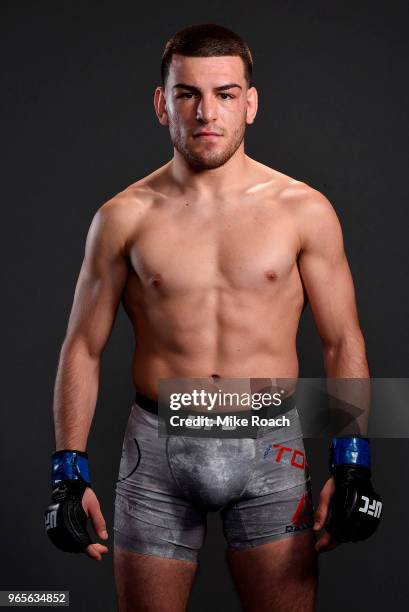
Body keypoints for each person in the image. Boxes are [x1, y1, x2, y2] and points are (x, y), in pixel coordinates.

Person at [44, 23, 382, 612]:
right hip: (157, 448)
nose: (207, 113)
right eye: (187, 94)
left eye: (225, 94)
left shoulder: (304, 210)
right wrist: (67, 471)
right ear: (161, 103)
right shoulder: (122, 217)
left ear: (250, 103)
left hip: (272, 444)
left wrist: (352, 460)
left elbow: (341, 339)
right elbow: (82, 348)